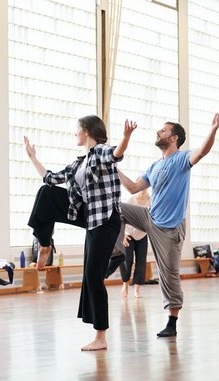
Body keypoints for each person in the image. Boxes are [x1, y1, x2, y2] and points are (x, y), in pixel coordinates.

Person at [24, 115, 136, 351]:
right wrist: (33, 157)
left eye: (77, 129)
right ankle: (44, 243)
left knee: (93, 276)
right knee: (46, 191)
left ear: (87, 131)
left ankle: (101, 337)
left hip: (105, 220)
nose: (75, 132)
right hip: (88, 217)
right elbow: (51, 177)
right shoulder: (78, 163)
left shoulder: (101, 152)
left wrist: (125, 138)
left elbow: (116, 153)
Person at [117, 111, 219, 338]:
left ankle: (172, 322)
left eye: (163, 130)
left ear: (174, 137)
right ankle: (116, 252)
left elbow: (202, 151)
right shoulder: (154, 165)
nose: (158, 132)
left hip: (169, 228)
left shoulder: (182, 159)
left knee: (169, 274)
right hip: (150, 218)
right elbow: (134, 188)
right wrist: (113, 169)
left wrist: (213, 130)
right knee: (116, 208)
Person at [106, 189, 151, 298]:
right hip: (129, 234)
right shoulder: (131, 199)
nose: (143, 188)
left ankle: (137, 289)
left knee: (141, 262)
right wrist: (123, 234)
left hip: (142, 235)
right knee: (127, 260)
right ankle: (125, 285)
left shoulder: (151, 201)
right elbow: (122, 216)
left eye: (145, 186)